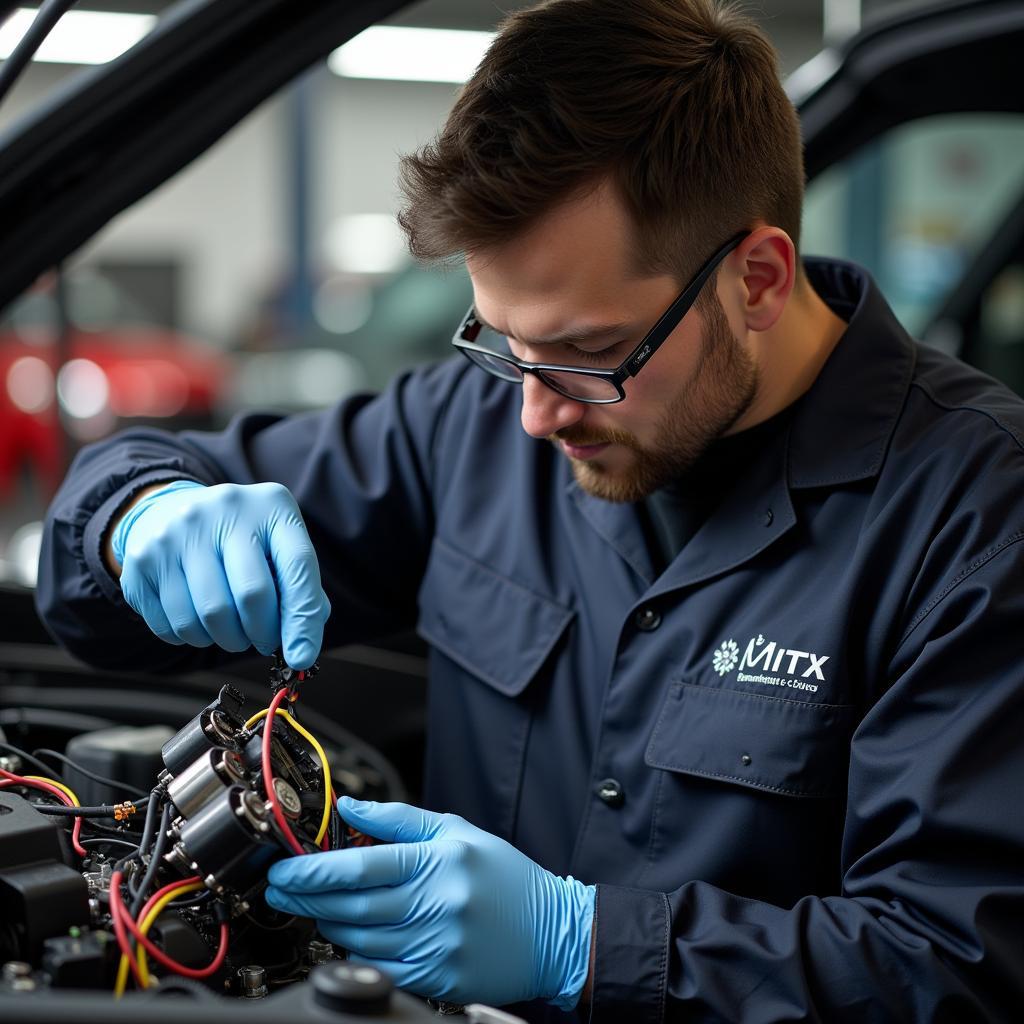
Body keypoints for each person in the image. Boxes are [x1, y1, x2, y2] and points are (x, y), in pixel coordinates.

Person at [35, 0, 1024, 1019]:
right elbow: (96, 567)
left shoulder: (977, 520)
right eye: (501, 338)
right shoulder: (471, 423)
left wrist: (585, 944)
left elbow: (959, 965)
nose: (535, 412)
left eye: (591, 352)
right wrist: (136, 515)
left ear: (758, 279)